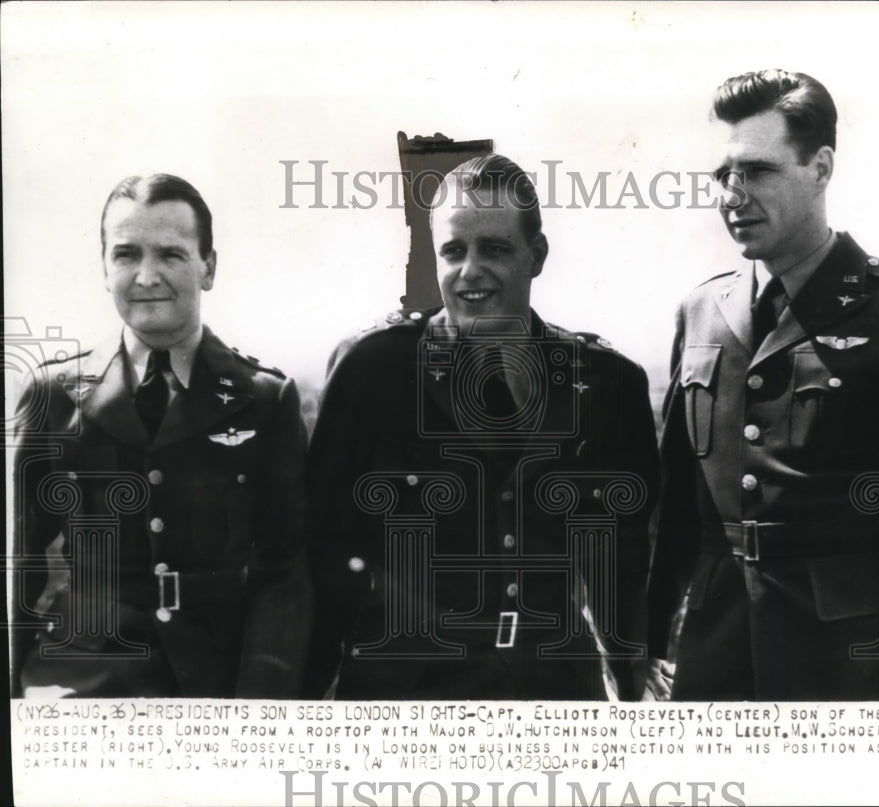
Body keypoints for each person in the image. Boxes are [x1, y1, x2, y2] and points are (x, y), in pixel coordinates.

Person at [647, 69, 879, 701]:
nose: (733, 194)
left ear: (821, 167)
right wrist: (644, 648)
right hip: (713, 662)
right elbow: (675, 516)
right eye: (723, 175)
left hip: (844, 672)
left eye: (758, 171)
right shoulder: (700, 313)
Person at [306, 154, 659, 699]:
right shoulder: (373, 369)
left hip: (555, 697)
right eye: (453, 251)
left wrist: (632, 682)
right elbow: (324, 550)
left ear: (535, 256)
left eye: (493, 248)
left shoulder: (608, 382)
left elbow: (625, 562)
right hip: (405, 698)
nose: (469, 271)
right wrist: (308, 700)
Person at [11, 174, 311, 698]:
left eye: (171, 255)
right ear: (104, 269)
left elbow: (284, 570)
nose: (147, 276)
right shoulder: (52, 395)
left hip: (214, 686)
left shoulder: (263, 399)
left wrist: (262, 700)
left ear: (208, 267)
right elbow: (18, 563)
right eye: (126, 255)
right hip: (79, 682)